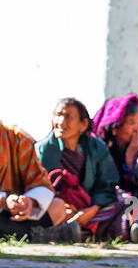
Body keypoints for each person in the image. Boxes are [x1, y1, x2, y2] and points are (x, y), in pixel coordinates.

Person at [37, 99, 125, 242]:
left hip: (91, 206)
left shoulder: (97, 147)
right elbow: (38, 186)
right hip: (59, 207)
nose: (61, 122)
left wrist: (91, 210)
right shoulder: (42, 149)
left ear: (83, 125)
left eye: (68, 117)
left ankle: (77, 228)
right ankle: (70, 228)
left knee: (123, 200)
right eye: (58, 115)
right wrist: (64, 208)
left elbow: (107, 184)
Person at [0, 120, 57, 237]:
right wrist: (4, 201)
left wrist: (30, 201)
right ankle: (36, 235)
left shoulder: (18, 138)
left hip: (13, 216)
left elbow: (41, 184)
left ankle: (26, 233)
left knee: (58, 206)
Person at [92, 95, 138, 193]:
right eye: (131, 122)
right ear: (115, 129)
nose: (137, 128)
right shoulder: (100, 148)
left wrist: (130, 157)